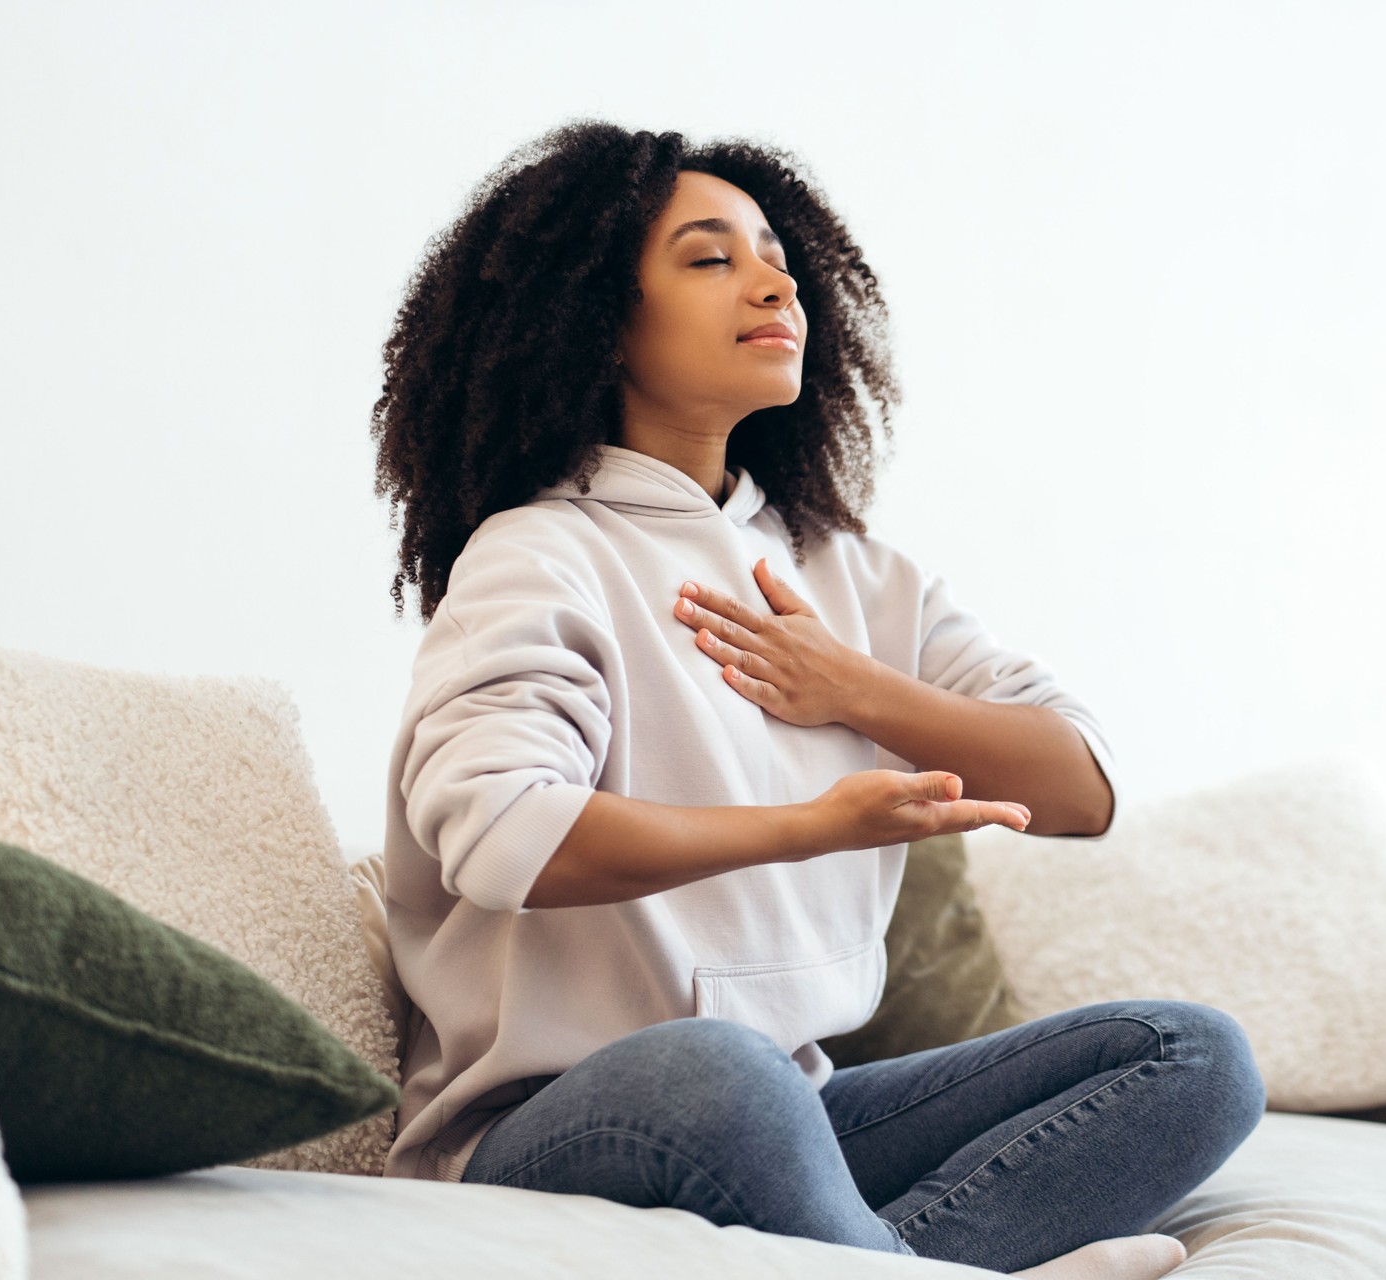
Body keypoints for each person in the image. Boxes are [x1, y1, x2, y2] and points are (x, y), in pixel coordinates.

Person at [368, 120, 1265, 1280]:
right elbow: (503, 836)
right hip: (554, 1123)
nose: (773, 276)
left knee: (1192, 1054)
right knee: (720, 1068)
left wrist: (858, 687)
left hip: (791, 1114)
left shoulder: (856, 574)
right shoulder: (538, 553)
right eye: (708, 257)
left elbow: (1080, 785)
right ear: (597, 316)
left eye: (775, 251)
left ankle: (891, 1261)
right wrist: (812, 825)